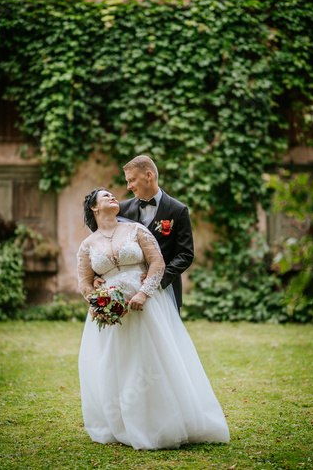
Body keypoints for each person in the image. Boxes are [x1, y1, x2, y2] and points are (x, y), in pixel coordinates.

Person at [77, 188, 230, 450]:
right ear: (94, 208)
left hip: (146, 307)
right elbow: (84, 282)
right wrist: (99, 301)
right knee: (119, 366)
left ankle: (163, 421)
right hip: (112, 316)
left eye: (114, 195)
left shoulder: (136, 230)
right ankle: (123, 422)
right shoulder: (87, 245)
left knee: (151, 364)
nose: (114, 197)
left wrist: (144, 293)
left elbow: (157, 263)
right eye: (106, 197)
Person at [95, 155, 194, 312]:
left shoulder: (178, 210)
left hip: (165, 290)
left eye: (132, 180)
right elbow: (105, 242)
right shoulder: (123, 209)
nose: (129, 186)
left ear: (149, 176)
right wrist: (96, 276)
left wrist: (156, 279)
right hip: (129, 292)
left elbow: (185, 254)